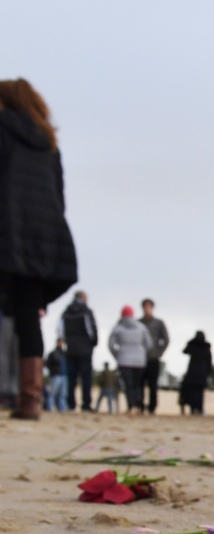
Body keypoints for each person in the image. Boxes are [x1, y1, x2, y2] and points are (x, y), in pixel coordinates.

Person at [0, 79, 78, 420]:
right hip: (41, 238)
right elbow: (59, 197)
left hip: (6, 229)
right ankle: (30, 400)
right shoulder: (49, 143)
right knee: (28, 317)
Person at [108, 305, 153, 415]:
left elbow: (111, 344)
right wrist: (142, 353)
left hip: (124, 360)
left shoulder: (118, 328)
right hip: (139, 361)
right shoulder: (141, 327)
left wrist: (118, 355)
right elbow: (149, 344)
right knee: (138, 384)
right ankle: (138, 406)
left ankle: (131, 407)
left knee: (128, 385)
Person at [58, 290, 96, 412]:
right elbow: (91, 331)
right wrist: (93, 343)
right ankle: (86, 405)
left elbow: (60, 330)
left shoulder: (66, 312)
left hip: (71, 348)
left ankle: (71, 404)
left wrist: (66, 342)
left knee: (71, 378)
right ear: (84, 298)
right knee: (86, 378)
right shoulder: (86, 311)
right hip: (85, 349)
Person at [138, 298, 168, 414]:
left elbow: (166, 339)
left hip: (153, 359)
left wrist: (159, 352)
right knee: (140, 384)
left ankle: (152, 407)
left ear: (152, 307)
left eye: (149, 306)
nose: (147, 308)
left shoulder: (159, 323)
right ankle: (139, 405)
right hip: (140, 359)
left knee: (153, 385)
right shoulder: (138, 323)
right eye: (145, 306)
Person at [179, 331, 212, 415]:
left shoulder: (192, 345)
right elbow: (209, 361)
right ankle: (199, 409)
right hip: (202, 372)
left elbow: (185, 351)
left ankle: (193, 408)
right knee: (199, 392)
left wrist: (191, 341)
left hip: (192, 371)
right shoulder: (206, 347)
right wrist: (209, 372)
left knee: (192, 391)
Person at [44, 338, 66, 411]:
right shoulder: (53, 353)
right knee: (53, 393)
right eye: (60, 342)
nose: (61, 344)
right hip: (56, 375)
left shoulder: (64, 353)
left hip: (63, 375)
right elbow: (48, 364)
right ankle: (49, 407)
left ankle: (62, 408)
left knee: (62, 394)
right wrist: (53, 371)